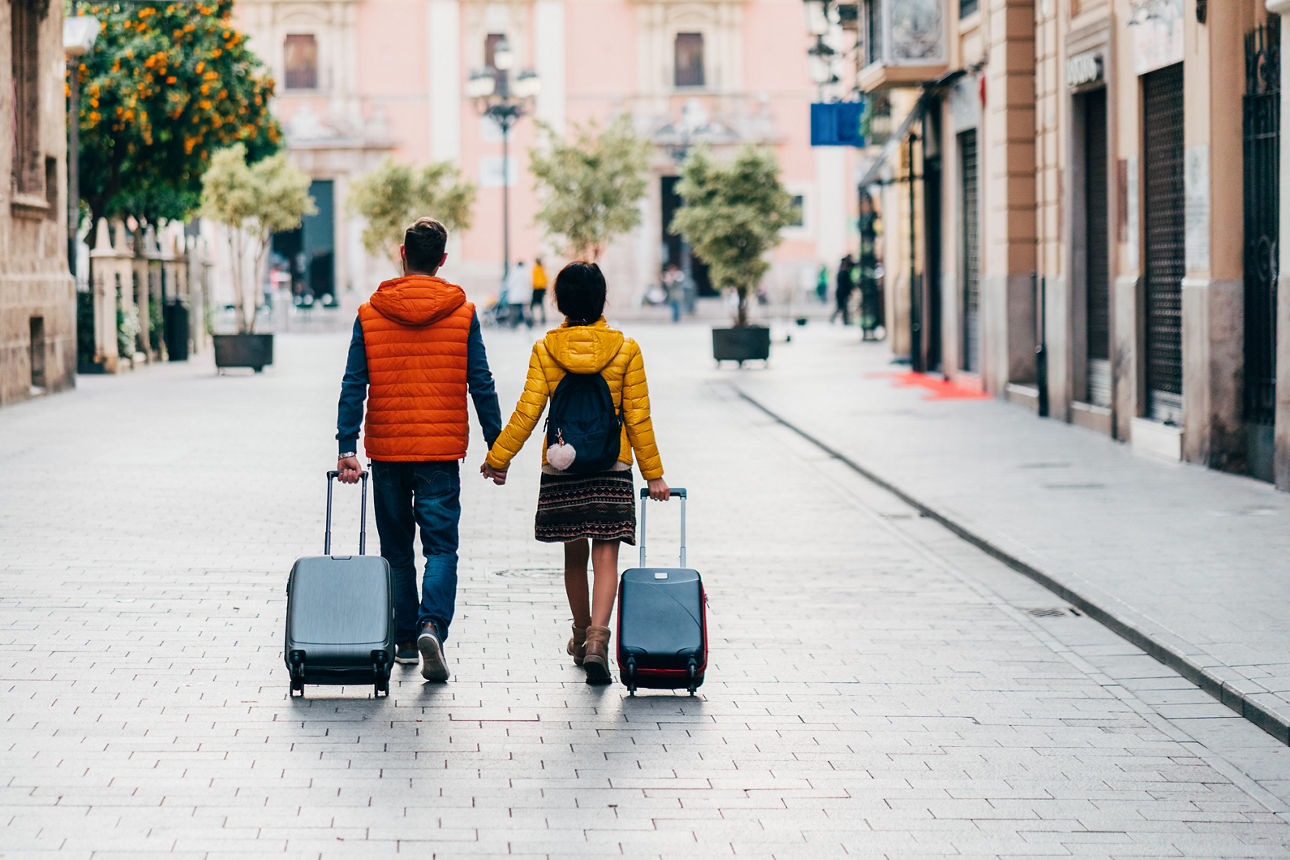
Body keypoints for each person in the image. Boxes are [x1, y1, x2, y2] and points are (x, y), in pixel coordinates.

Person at [480, 261, 669, 684]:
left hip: (562, 465)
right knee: (606, 557)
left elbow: (527, 412)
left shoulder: (546, 349)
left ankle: (581, 636)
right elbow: (639, 417)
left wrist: (499, 457)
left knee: (574, 556)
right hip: (611, 465)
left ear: (559, 302)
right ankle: (599, 641)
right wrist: (653, 474)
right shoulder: (625, 349)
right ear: (603, 299)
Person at [335, 217, 503, 683]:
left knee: (396, 551)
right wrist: (498, 446)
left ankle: (406, 640)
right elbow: (481, 383)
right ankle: (432, 626)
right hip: (439, 454)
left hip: (388, 452)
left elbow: (354, 383)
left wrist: (347, 445)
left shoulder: (370, 312)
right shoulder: (463, 312)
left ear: (402, 254)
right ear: (442, 260)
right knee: (441, 548)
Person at [504, 261, 532, 329]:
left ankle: (513, 325)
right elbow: (530, 284)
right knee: (526, 311)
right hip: (524, 296)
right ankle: (529, 325)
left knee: (514, 311)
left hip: (515, 296)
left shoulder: (513, 272)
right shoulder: (526, 272)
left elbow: (508, 284)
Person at [831, 254, 854, 325]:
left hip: (842, 292)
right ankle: (843, 321)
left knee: (842, 307)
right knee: (840, 307)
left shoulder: (842, 272)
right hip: (842, 293)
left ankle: (845, 321)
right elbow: (846, 284)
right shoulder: (843, 273)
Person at [530, 257, 548, 325]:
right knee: (541, 304)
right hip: (542, 288)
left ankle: (532, 319)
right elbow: (545, 279)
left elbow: (534, 279)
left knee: (532, 306)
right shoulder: (542, 269)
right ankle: (543, 319)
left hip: (536, 288)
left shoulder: (535, 269)